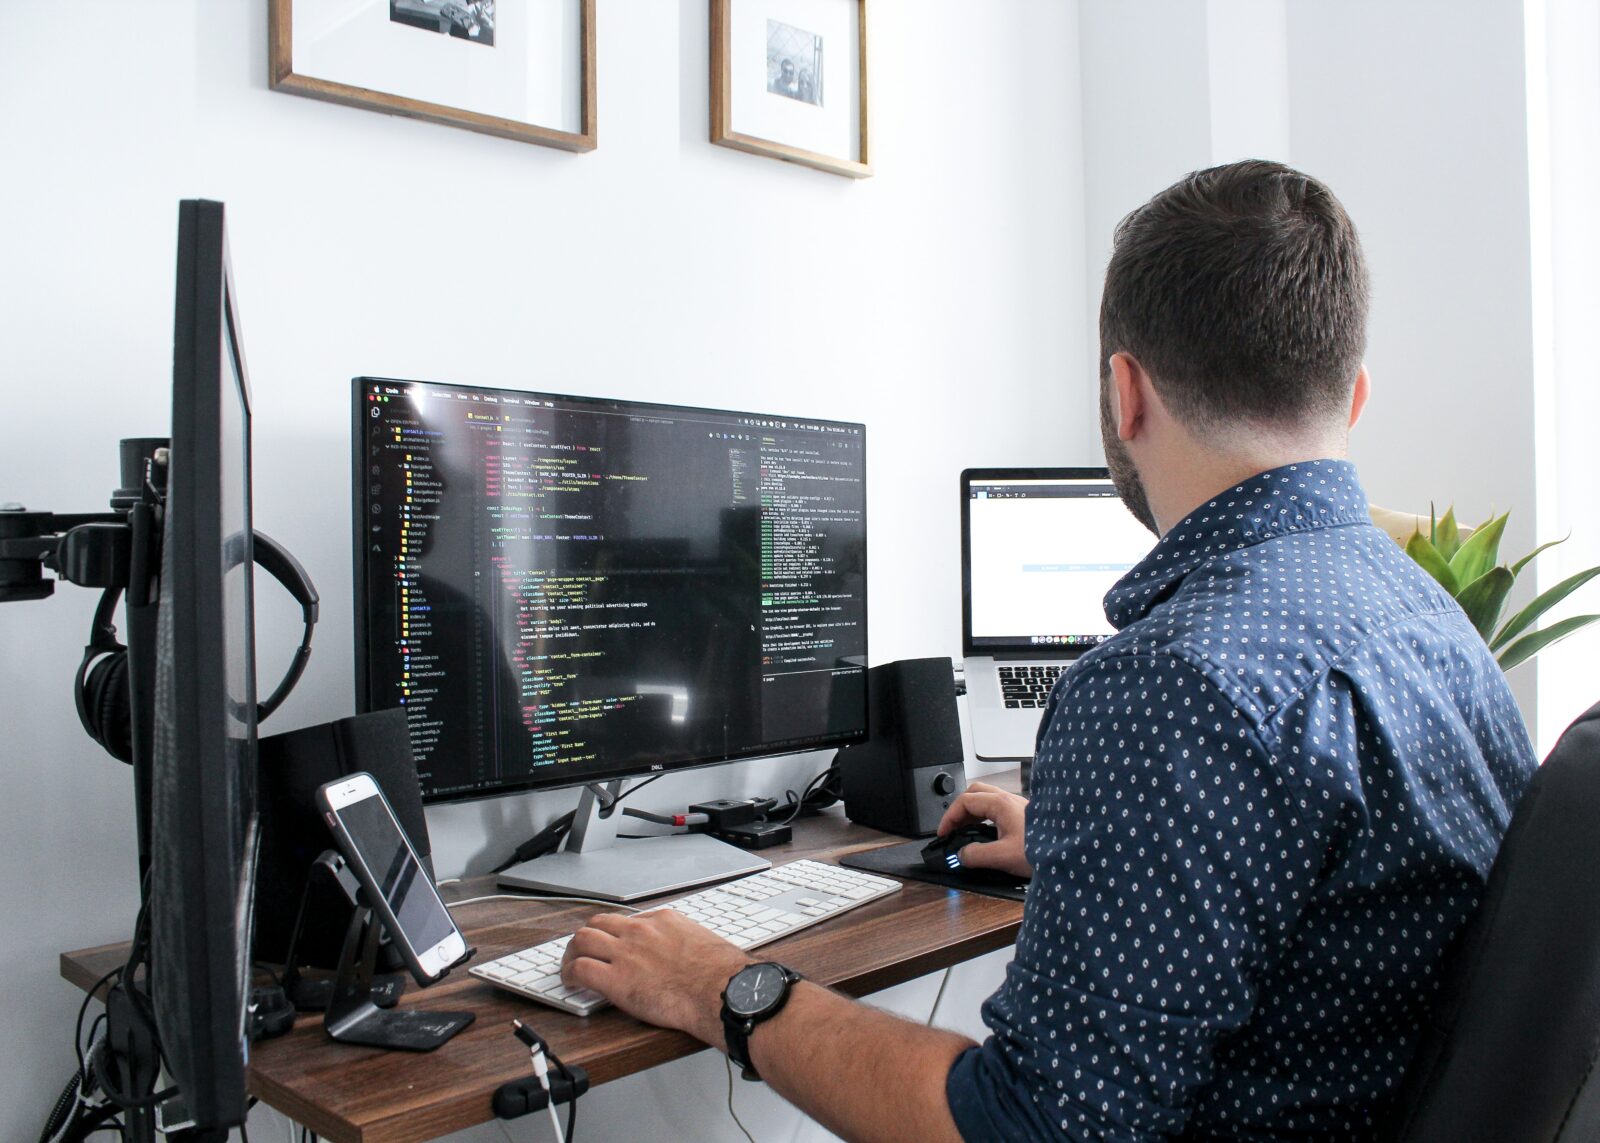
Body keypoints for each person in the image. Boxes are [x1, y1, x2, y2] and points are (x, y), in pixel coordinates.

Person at [559, 160, 1537, 1140]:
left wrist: (722, 987)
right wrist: (1096, 851)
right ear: (1353, 394)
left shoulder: (1173, 684)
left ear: (1126, 392)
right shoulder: (1427, 611)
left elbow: (1025, 1129)